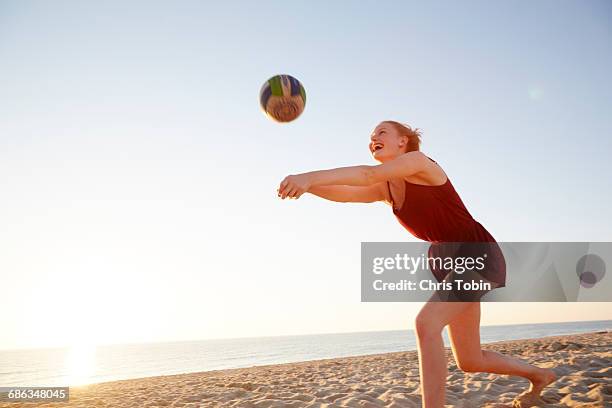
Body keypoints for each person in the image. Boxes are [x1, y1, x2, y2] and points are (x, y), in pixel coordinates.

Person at [277, 120, 556, 407]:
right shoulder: (386, 188)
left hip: (477, 254)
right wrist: (308, 188)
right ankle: (540, 375)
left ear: (403, 141)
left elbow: (365, 174)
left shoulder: (419, 162)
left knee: (426, 324)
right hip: (447, 261)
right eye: (371, 137)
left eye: (381, 132)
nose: (373, 138)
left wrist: (308, 177)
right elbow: (347, 193)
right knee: (470, 360)